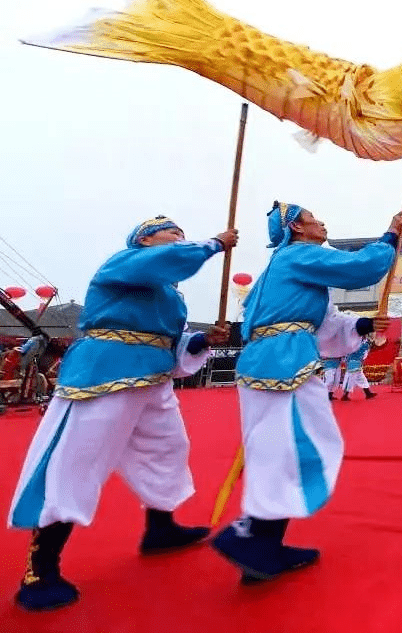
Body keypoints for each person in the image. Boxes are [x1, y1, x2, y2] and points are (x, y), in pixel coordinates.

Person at [8, 216, 236, 612]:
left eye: (183, 234)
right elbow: (168, 261)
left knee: (168, 450)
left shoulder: (171, 295)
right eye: (171, 233)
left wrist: (199, 339)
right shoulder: (125, 264)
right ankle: (40, 568)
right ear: (144, 239)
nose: (179, 237)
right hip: (105, 372)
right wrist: (212, 243)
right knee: (76, 461)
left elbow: (168, 338)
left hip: (154, 377)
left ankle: (160, 530)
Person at [210, 202, 402, 583]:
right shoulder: (299, 254)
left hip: (270, 360)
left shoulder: (284, 269)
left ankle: (263, 547)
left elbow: (324, 322)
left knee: (282, 449)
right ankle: (248, 536)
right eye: (315, 218)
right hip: (284, 363)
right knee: (295, 448)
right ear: (297, 228)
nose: (322, 222)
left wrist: (364, 322)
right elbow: (361, 269)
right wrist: (391, 235)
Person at [342, 336, 375, 401]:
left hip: (357, 362)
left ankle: (368, 393)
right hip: (352, 362)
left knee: (361, 378)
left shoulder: (364, 342)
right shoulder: (355, 342)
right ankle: (345, 395)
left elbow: (364, 354)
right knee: (350, 379)